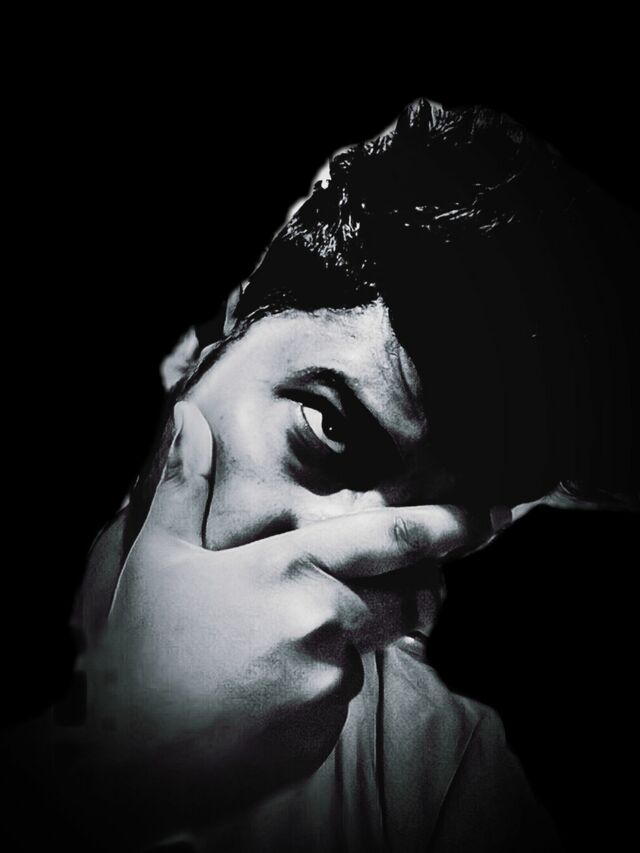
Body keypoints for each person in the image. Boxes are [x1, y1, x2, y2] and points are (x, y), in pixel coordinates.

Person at [23, 98, 640, 851]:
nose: (342, 547)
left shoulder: (438, 771)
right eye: (328, 427)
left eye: (426, 535)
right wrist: (110, 776)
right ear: (229, 325)